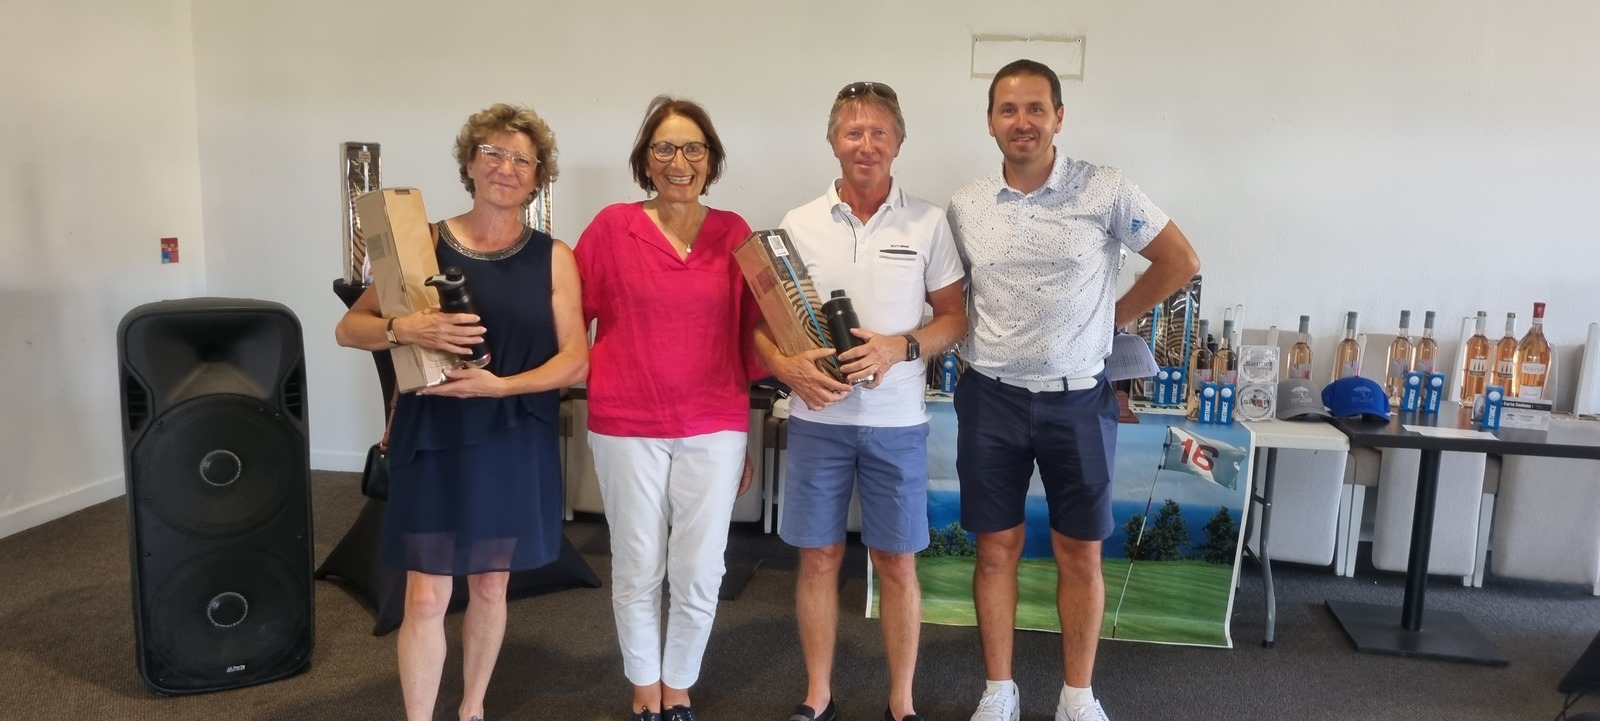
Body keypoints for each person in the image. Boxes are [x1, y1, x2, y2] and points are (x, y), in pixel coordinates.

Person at [946, 59, 1202, 721]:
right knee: (995, 549)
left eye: (1036, 108)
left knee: (1080, 553)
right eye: (1008, 109)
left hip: (1079, 398)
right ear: (990, 122)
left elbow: (1180, 260)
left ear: (1059, 117)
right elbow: (948, 298)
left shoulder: (1105, 188)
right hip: (991, 395)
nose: (1022, 121)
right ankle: (999, 691)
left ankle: (1077, 696)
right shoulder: (966, 205)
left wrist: (1115, 317)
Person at [334, 103, 588, 721]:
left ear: (538, 176)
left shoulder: (554, 256)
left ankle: (472, 708)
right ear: (470, 164)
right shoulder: (421, 243)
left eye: (522, 159)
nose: (506, 167)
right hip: (434, 435)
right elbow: (349, 328)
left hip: (510, 435)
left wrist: (499, 388)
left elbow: (576, 363)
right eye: (493, 153)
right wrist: (406, 327)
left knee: (492, 585)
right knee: (425, 595)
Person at [756, 81, 967, 721]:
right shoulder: (798, 223)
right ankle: (817, 695)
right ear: (833, 142)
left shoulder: (928, 221)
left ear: (899, 142)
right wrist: (783, 367)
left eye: (879, 133)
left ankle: (901, 703)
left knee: (896, 563)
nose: (866, 145)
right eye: (853, 132)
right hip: (819, 419)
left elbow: (954, 319)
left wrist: (898, 348)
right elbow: (764, 326)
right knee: (819, 559)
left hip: (897, 423)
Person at [574, 96, 761, 721]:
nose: (679, 161)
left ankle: (678, 683)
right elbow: (568, 318)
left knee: (701, 566)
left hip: (715, 422)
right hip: (627, 422)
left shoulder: (735, 234)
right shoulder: (611, 228)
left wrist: (747, 437)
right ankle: (644, 686)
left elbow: (753, 337)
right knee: (637, 564)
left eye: (693, 148)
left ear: (711, 159)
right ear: (645, 160)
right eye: (664, 148)